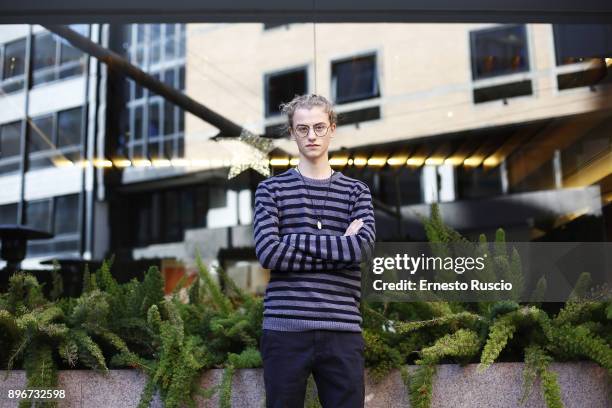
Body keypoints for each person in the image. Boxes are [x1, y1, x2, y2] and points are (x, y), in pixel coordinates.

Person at [253, 93, 376, 408]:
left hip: (342, 328)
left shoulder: (356, 192)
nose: (312, 136)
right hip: (284, 331)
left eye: (319, 127)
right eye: (303, 128)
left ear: (332, 128)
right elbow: (268, 253)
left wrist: (293, 239)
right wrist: (339, 244)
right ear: (292, 133)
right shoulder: (271, 191)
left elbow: (361, 249)